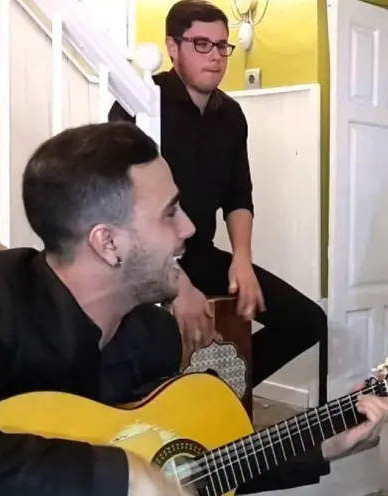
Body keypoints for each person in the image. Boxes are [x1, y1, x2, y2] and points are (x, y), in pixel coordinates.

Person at [0, 122, 388, 496]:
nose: (188, 228)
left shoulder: (152, 337)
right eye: (169, 212)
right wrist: (121, 475)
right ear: (107, 243)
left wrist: (321, 444)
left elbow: (189, 469)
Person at [109, 0, 327, 396]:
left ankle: (220, 396)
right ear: (172, 47)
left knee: (307, 321)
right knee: (153, 351)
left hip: (201, 253)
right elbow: (124, 209)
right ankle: (170, 406)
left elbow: (238, 194)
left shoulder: (231, 115)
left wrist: (242, 260)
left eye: (222, 45)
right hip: (143, 258)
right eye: (201, 44)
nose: (215, 56)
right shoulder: (139, 104)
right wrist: (175, 282)